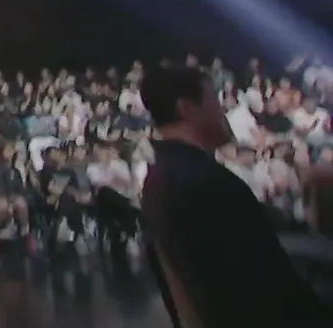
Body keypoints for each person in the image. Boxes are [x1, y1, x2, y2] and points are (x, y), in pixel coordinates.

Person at [139, 66, 331, 326]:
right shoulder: (204, 184)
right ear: (187, 108)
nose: (222, 111)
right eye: (213, 100)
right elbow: (271, 284)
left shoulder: (165, 178)